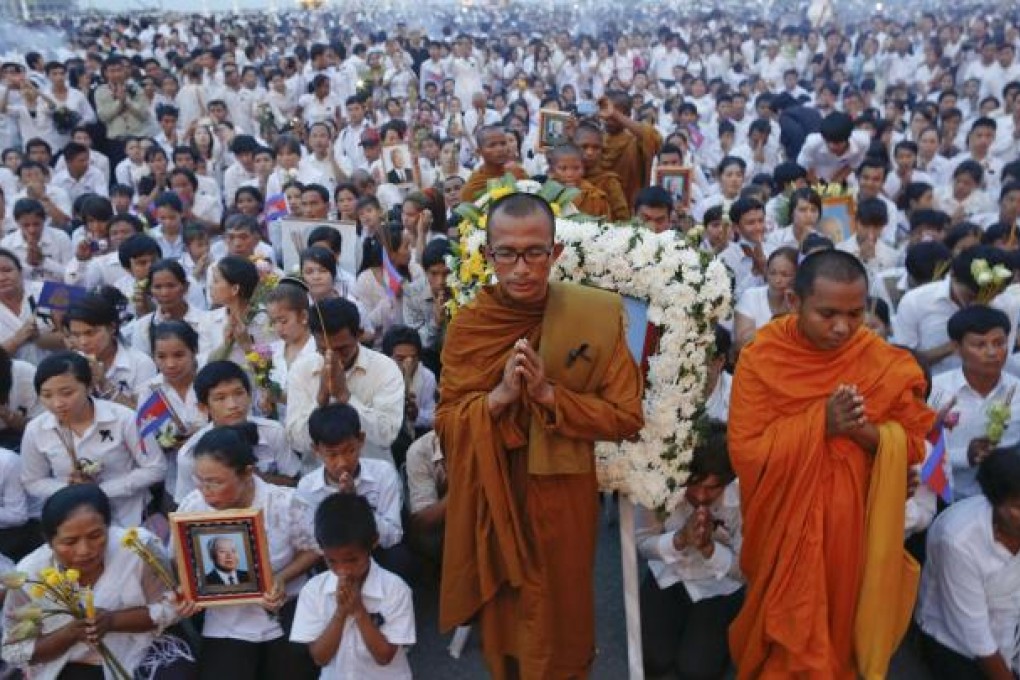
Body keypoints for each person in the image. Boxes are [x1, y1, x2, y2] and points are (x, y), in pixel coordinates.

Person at [437, 192, 644, 678]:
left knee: (561, 613)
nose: (522, 267)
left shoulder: (594, 315)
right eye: (506, 253)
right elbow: (447, 423)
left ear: (555, 255)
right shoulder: (471, 327)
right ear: (488, 257)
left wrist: (552, 397)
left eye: (535, 252)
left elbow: (626, 416)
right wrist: (501, 397)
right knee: (509, 620)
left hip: (562, 493)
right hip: (497, 489)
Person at [728, 249, 934, 678]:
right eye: (827, 313)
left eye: (855, 313)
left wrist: (863, 433)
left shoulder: (880, 359)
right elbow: (747, 453)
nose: (843, 327)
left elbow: (913, 444)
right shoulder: (762, 357)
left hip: (854, 526)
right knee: (788, 636)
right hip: (785, 524)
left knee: (841, 627)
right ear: (792, 302)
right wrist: (820, 422)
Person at [0, 484, 193, 679]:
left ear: (109, 527)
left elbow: (172, 606)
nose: (85, 550)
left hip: (142, 649)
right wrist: (70, 634)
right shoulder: (29, 575)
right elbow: (16, 650)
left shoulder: (137, 547)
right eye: (70, 542)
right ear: (49, 541)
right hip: (68, 662)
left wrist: (112, 621)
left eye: (96, 535)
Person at [175, 426, 320, 680]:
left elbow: (312, 549)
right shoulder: (193, 507)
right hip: (227, 619)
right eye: (201, 480)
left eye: (216, 482)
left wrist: (281, 578)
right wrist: (188, 589)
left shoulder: (284, 502)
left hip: (284, 608)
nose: (206, 491)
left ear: (247, 474)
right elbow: (183, 558)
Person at [635, 422, 744, 679]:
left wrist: (709, 549)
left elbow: (746, 570)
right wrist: (680, 540)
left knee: (695, 670)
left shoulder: (744, 495)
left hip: (719, 587)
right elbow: (642, 543)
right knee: (653, 659)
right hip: (669, 576)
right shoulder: (660, 482)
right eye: (692, 485)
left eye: (711, 488)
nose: (700, 496)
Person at [20, 351, 166, 528]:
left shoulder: (123, 419)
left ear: (89, 387)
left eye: (67, 393)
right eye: (47, 395)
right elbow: (32, 480)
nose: (57, 403)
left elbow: (155, 468)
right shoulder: (36, 430)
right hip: (74, 521)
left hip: (130, 518)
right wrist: (69, 491)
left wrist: (102, 491)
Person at [916, 447, 1020, 680]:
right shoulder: (958, 542)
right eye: (1018, 507)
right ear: (995, 503)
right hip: (953, 643)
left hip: (1008, 627)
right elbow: (976, 637)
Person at [290, 492, 415, 680]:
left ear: (373, 543)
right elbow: (320, 658)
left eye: (352, 560)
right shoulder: (313, 591)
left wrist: (359, 612)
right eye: (331, 561)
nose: (343, 570)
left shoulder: (395, 589)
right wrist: (340, 613)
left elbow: (384, 656)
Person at [296, 403, 413, 583]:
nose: (342, 462)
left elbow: (393, 535)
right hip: (333, 557)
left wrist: (356, 502)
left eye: (349, 451)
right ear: (316, 450)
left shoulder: (383, 473)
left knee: (399, 557)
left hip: (375, 550)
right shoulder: (308, 487)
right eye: (332, 455)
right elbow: (313, 543)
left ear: (361, 440)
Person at [286, 297, 404, 466]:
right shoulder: (301, 369)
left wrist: (345, 396)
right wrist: (320, 399)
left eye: (342, 349)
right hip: (318, 478)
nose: (334, 357)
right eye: (324, 350)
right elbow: (297, 442)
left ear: (359, 334)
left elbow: (386, 436)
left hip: (374, 474)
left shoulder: (385, 368)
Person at [928, 306, 1020, 501]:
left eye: (999, 343)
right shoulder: (936, 392)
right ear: (956, 348)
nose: (992, 352)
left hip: (1006, 503)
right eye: (980, 345)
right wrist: (964, 456)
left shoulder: (1018, 391)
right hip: (946, 498)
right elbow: (920, 451)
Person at [174, 361, 300, 501]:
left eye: (239, 393)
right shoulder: (191, 454)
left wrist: (253, 478)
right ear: (203, 407)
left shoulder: (272, 432)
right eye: (220, 398)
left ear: (249, 396)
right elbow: (187, 508)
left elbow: (294, 484)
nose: (233, 405)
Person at [733, 246, 797, 348]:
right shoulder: (751, 296)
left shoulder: (801, 304)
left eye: (785, 275)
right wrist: (777, 322)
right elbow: (741, 343)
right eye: (772, 273)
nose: (777, 280)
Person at [460, 125, 528, 202]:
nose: (500, 149)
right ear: (479, 152)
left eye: (503, 143)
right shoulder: (473, 186)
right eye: (492, 145)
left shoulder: (518, 172)